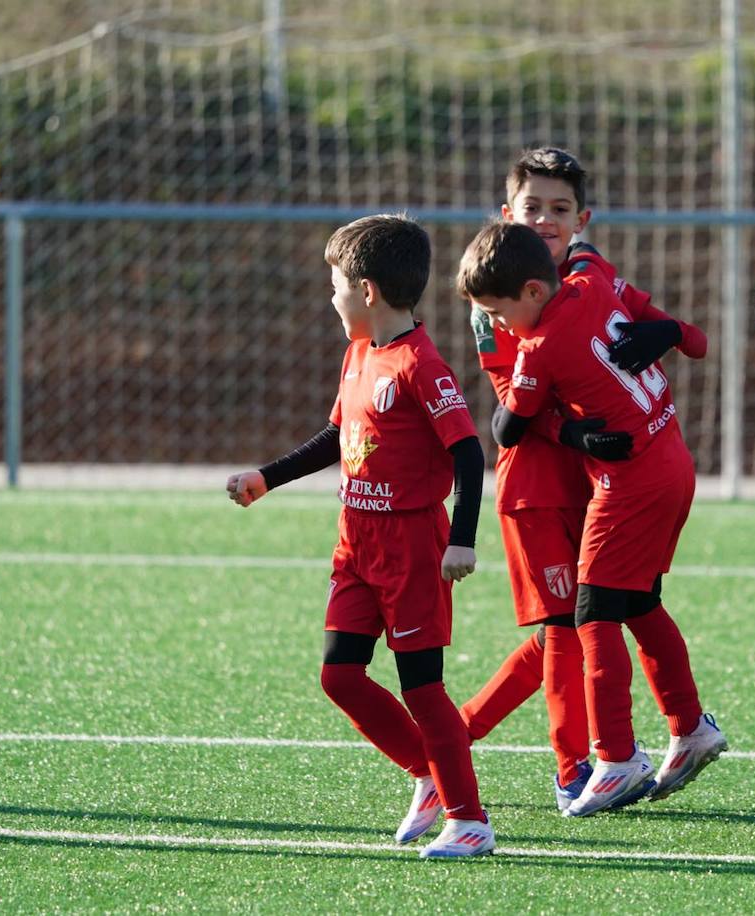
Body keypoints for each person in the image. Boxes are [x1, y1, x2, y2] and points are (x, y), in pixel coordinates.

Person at [225, 214, 494, 859]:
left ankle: (470, 819)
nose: (332, 297)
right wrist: (268, 478)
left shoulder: (421, 366)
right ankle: (425, 773)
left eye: (336, 285)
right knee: (339, 675)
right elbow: (336, 438)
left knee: (422, 687)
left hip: (411, 547)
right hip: (355, 543)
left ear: (368, 291)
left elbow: (467, 454)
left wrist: (462, 538)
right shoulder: (358, 353)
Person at [458, 147, 710, 813]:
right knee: (568, 627)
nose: (543, 218)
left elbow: (633, 315)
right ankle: (573, 765)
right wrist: (572, 434)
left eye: (558, 209)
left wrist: (665, 333)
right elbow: (512, 402)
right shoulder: (497, 294)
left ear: (581, 220)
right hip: (543, 480)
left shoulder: (587, 272)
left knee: (597, 615)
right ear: (506, 212)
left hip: (607, 476)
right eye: (531, 206)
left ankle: (463, 735)